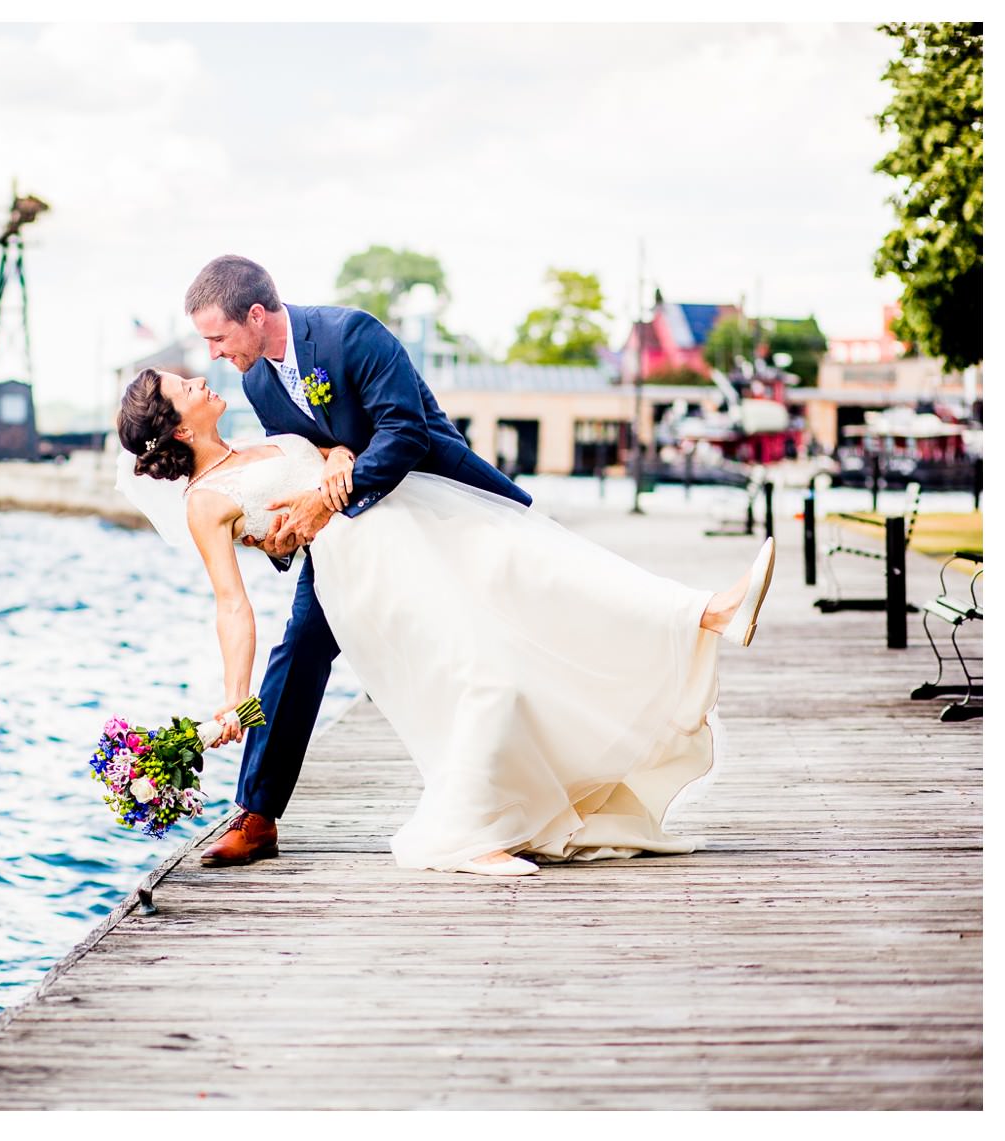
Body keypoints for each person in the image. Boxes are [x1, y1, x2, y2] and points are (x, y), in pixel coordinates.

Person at [114, 260, 775, 877]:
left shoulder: (350, 336)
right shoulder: (257, 379)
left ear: (256, 314)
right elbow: (311, 456)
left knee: (543, 586)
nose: (213, 357)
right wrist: (294, 517)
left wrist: (332, 487)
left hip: (437, 502)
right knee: (304, 652)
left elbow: (404, 433)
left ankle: (703, 615)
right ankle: (258, 815)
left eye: (219, 337)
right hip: (350, 546)